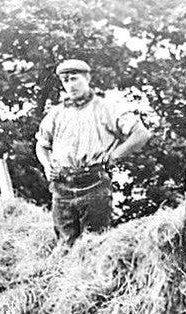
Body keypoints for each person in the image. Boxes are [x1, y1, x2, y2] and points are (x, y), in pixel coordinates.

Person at [35, 58, 151, 244]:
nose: (70, 85)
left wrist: (116, 154)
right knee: (64, 247)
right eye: (65, 81)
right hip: (62, 186)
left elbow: (141, 134)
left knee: (93, 245)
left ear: (87, 78)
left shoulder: (107, 108)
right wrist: (47, 166)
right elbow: (41, 145)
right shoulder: (56, 114)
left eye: (75, 79)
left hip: (93, 184)